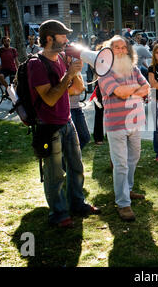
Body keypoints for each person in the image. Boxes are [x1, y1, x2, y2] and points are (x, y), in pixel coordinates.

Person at [27, 19, 101, 228]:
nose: (67, 39)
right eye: (63, 36)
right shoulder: (36, 64)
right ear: (50, 38)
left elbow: (76, 90)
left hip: (67, 122)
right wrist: (68, 74)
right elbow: (49, 98)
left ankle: (77, 204)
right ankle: (58, 214)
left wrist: (74, 71)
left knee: (76, 166)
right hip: (49, 126)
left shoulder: (60, 59)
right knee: (55, 174)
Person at [98, 35, 150, 221]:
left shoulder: (134, 68)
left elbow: (147, 87)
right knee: (120, 164)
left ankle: (127, 190)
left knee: (134, 157)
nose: (120, 50)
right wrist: (134, 90)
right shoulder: (103, 70)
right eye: (116, 47)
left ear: (128, 50)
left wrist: (131, 90)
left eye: (123, 47)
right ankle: (123, 203)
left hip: (136, 121)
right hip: (116, 124)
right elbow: (119, 92)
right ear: (109, 51)